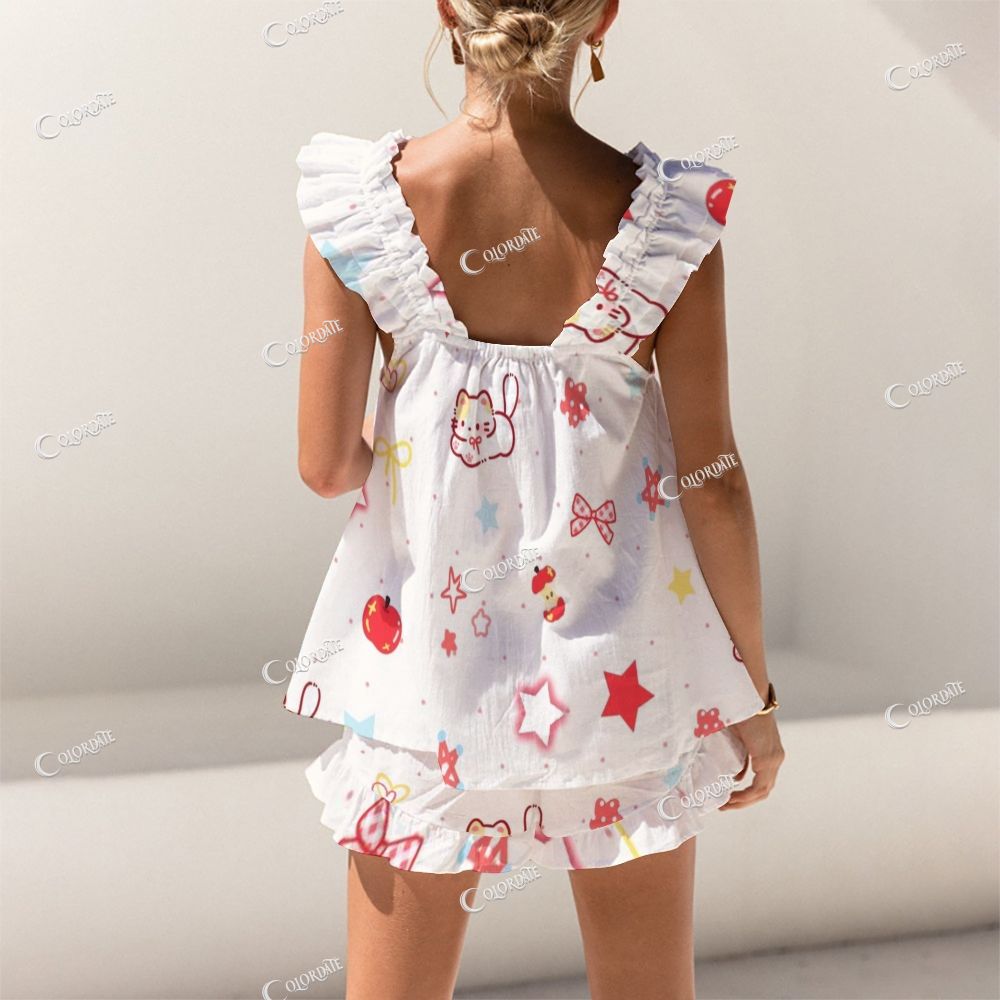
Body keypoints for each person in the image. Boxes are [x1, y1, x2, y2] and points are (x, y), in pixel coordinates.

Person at [287, 1, 784, 996]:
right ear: (603, 18)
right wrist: (754, 700)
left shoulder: (362, 208)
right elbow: (714, 486)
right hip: (619, 681)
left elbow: (327, 466)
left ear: (447, 10)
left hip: (424, 684)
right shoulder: (668, 224)